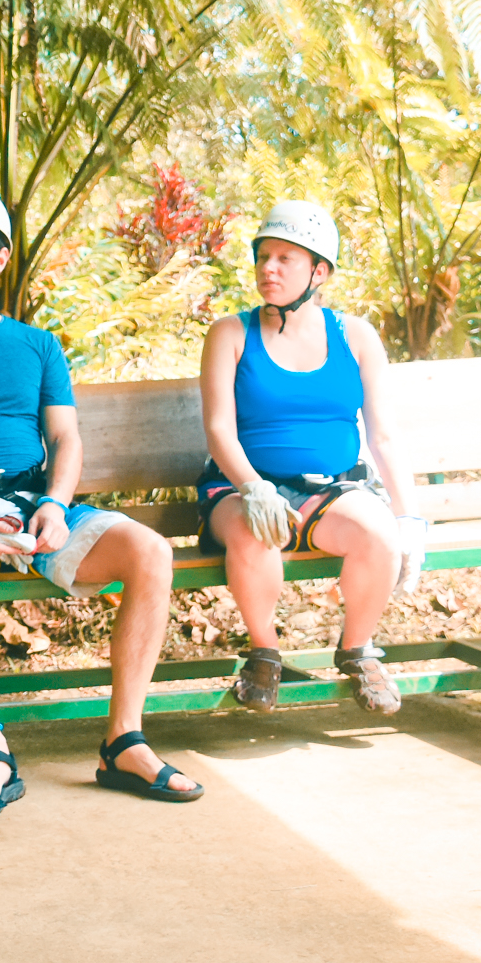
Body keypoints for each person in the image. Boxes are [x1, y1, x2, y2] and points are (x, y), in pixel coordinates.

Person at [0, 188, 202, 820]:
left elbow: (64, 438)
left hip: (34, 503)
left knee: (150, 552)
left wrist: (55, 503)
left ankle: (124, 742)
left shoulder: (38, 346)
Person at [198, 200, 424, 717]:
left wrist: (409, 518)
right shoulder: (230, 334)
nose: (268, 269)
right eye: (263, 257)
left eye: (285, 259)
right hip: (241, 486)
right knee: (255, 531)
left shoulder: (355, 336)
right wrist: (254, 488)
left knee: (379, 534)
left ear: (319, 271)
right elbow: (218, 430)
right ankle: (264, 652)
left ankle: (357, 649)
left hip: (330, 488)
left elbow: (383, 436)